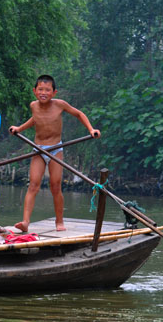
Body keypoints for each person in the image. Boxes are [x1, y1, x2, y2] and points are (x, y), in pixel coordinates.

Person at [9, 75, 101, 232]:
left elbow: (79, 114)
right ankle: (25, 222)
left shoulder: (60, 105)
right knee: (33, 185)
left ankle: (59, 221)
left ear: (54, 92)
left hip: (56, 149)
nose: (43, 93)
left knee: (55, 186)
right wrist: (19, 129)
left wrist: (91, 129)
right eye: (40, 89)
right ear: (34, 91)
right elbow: (35, 119)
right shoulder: (33, 105)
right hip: (37, 149)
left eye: (47, 90)